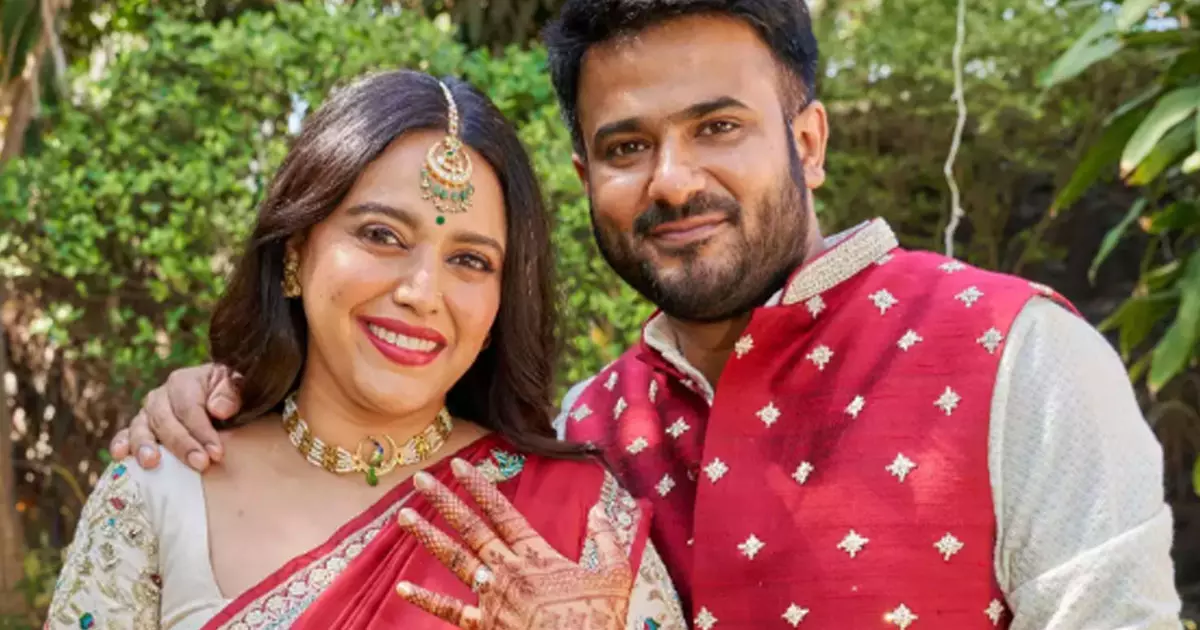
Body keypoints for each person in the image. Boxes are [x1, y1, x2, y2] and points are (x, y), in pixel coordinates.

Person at [113, 1, 1185, 628]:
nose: (672, 180)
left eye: (718, 127)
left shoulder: (1018, 359)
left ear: (808, 142)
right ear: (586, 177)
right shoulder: (579, 438)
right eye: (627, 147)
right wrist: (224, 398)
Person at [47, 69, 688, 630]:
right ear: (295, 252)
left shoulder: (578, 514)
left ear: (498, 307)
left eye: (470, 260)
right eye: (381, 235)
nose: (422, 292)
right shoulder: (163, 493)